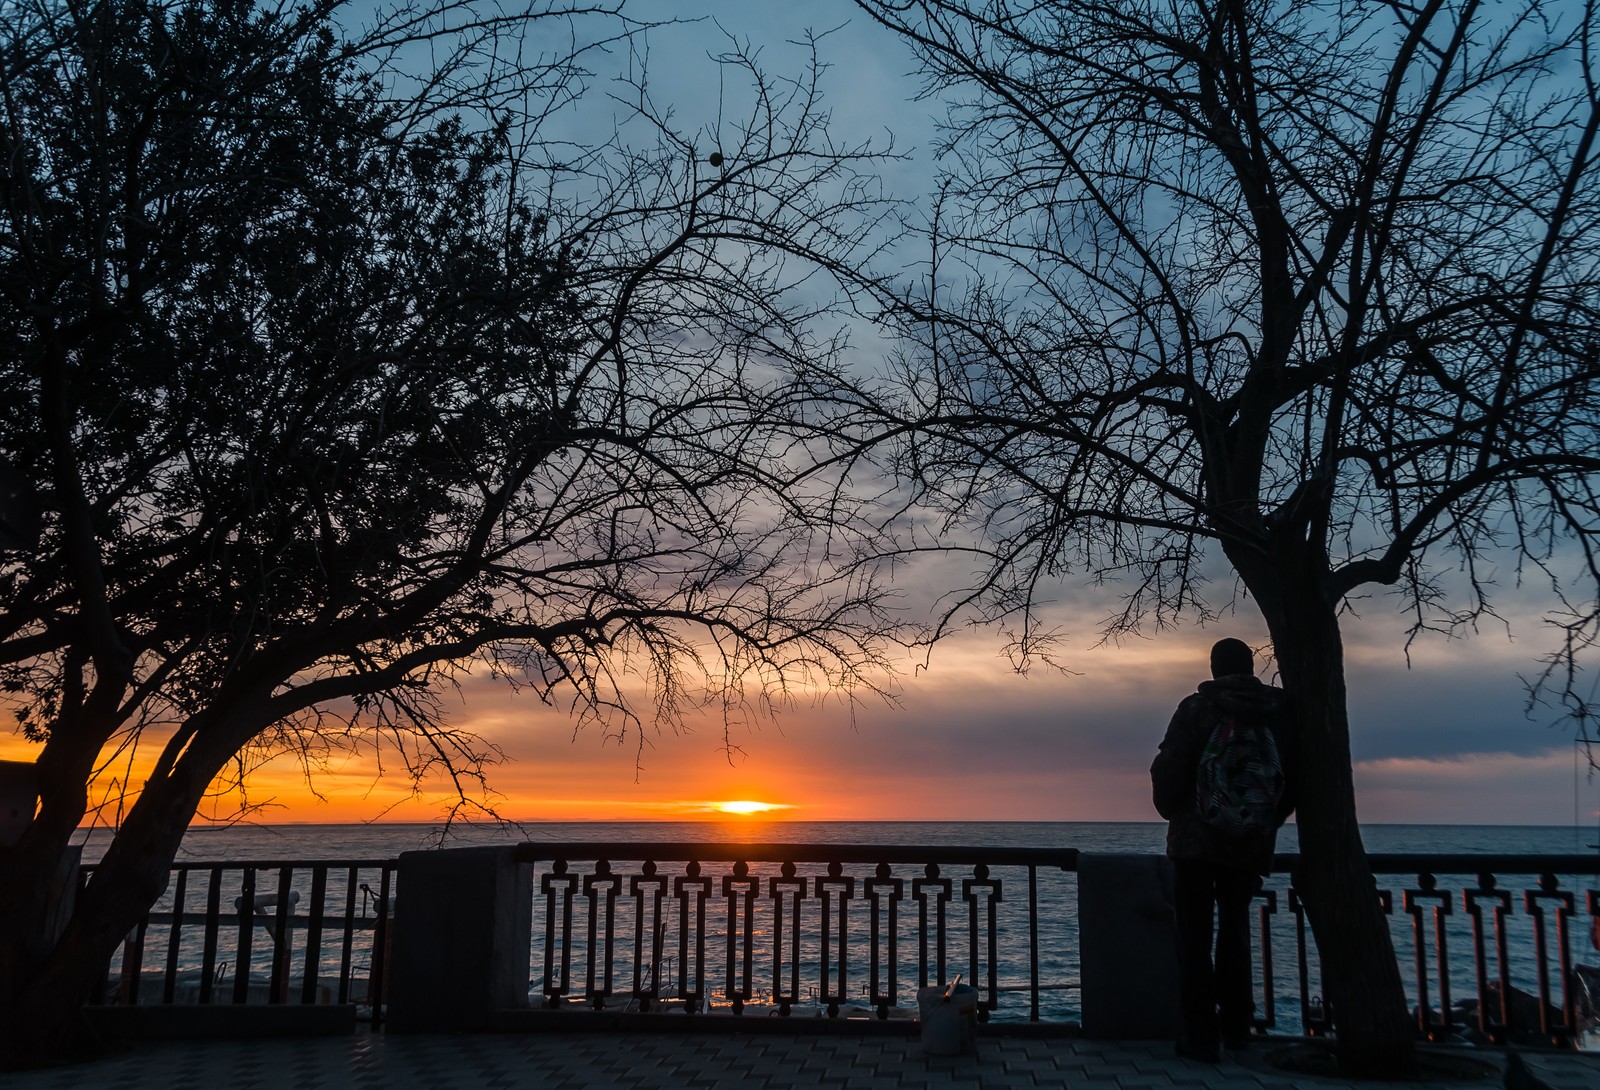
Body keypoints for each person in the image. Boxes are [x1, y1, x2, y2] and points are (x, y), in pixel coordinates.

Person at [1150, 637, 1293, 1062]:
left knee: (1193, 937)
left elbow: (1170, 765)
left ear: (1214, 668)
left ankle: (1200, 1037)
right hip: (1249, 841)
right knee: (1235, 931)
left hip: (1195, 842)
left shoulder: (1197, 708)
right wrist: (1262, 820)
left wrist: (1171, 807)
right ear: (1251, 667)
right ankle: (1237, 1028)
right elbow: (1291, 778)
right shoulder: (1280, 712)